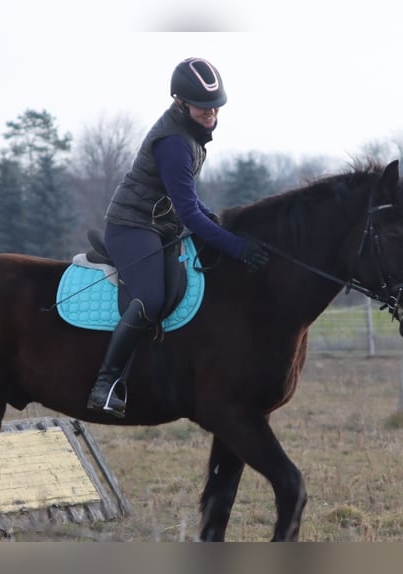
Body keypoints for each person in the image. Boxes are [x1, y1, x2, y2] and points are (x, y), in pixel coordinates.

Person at [86, 57, 270, 418]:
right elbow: (188, 213)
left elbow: (188, 198)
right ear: (181, 102)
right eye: (204, 107)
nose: (211, 114)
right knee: (151, 299)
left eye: (215, 107)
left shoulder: (191, 134)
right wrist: (236, 246)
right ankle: (106, 383)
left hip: (162, 226)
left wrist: (217, 223)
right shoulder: (174, 142)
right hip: (132, 226)